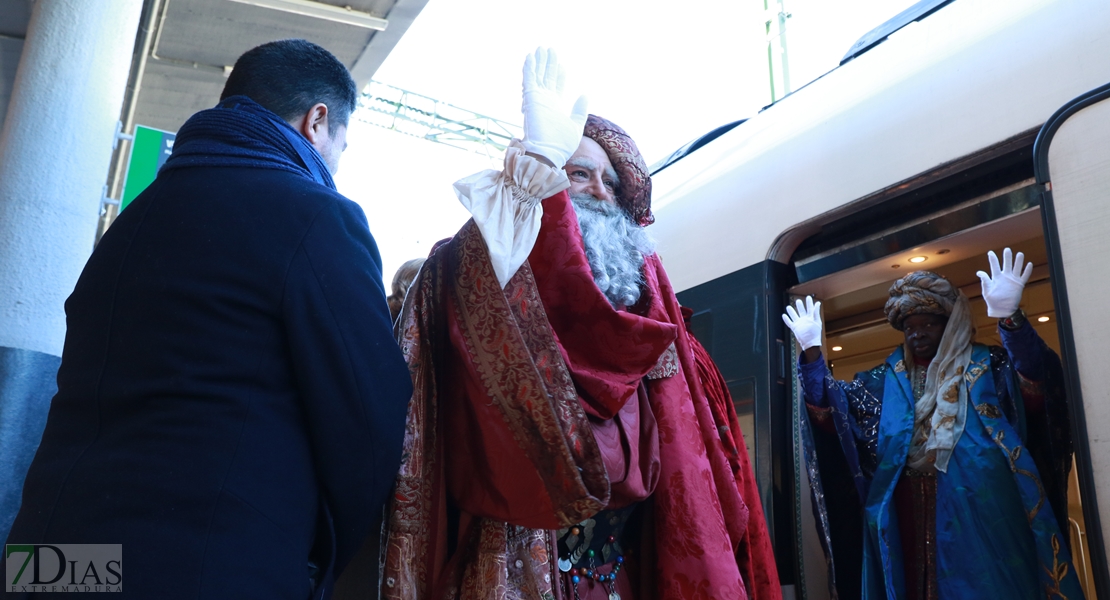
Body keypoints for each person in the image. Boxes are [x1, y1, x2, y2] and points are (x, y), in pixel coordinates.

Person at [5, 39, 412, 599]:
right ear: (318, 120)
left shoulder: (134, 220)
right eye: (342, 144)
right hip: (195, 565)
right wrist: (321, 561)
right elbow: (369, 417)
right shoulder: (314, 216)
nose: (335, 163)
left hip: (48, 559)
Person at [380, 49, 779, 600]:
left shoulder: (663, 328)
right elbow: (480, 296)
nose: (597, 190)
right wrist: (534, 178)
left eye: (610, 182)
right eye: (577, 174)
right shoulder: (484, 269)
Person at [781, 250, 1083, 600]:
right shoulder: (882, 381)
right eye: (909, 326)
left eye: (928, 324)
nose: (917, 334)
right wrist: (813, 352)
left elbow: (1035, 389)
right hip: (905, 511)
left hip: (981, 510)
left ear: (949, 323)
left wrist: (1010, 320)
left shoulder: (988, 365)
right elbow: (831, 417)